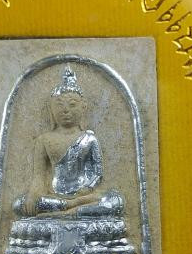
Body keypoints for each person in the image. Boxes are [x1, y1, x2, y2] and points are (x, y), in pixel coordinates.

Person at [13, 66, 124, 218]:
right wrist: (33, 194)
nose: (65, 110)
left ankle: (64, 211)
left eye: (72, 105)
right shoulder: (44, 139)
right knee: (19, 204)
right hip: (55, 197)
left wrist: (87, 189)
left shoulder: (89, 139)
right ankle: (70, 209)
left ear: (83, 107)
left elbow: (97, 173)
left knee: (114, 201)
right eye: (59, 105)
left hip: (85, 196)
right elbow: (38, 176)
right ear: (51, 108)